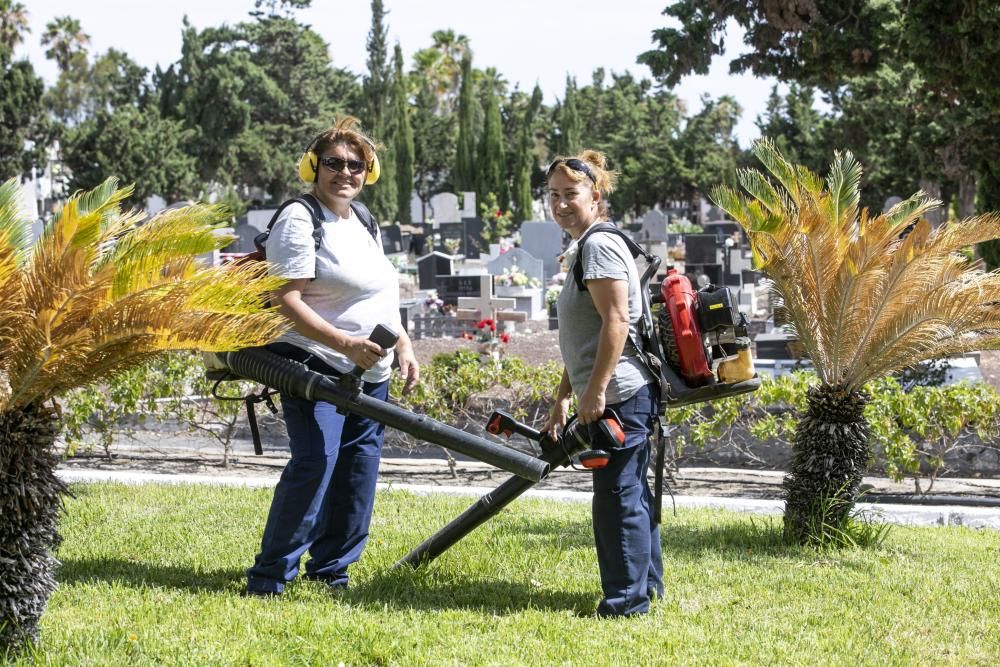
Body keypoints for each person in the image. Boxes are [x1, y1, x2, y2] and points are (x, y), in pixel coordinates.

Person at [245, 116, 419, 596]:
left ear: (370, 171)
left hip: (371, 370)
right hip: (316, 365)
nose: (345, 173)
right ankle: (269, 578)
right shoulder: (300, 218)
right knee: (316, 463)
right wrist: (344, 344)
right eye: (333, 163)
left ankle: (331, 573)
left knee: (358, 471)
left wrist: (402, 341)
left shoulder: (362, 220)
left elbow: (378, 294)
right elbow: (287, 299)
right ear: (313, 167)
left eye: (356, 165)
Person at [542, 150, 663, 617]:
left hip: (622, 395)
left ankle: (625, 602)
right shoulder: (585, 245)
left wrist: (595, 392)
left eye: (570, 194)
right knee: (629, 493)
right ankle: (645, 589)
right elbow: (585, 337)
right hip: (614, 392)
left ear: (595, 195)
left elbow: (616, 322)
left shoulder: (598, 245)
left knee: (616, 499)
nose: (561, 204)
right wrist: (562, 397)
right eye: (553, 195)